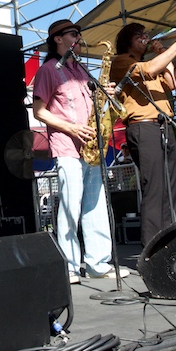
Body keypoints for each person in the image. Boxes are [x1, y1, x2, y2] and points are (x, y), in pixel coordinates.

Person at [32, 19, 121, 284]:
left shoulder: (82, 70)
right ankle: (70, 266)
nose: (79, 38)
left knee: (95, 205)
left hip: (91, 146)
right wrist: (72, 129)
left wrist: (106, 92)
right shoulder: (48, 69)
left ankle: (98, 263)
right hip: (67, 145)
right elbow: (39, 111)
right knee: (70, 206)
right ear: (58, 39)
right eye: (74, 34)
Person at [110, 23, 176, 246]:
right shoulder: (123, 61)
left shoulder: (151, 62)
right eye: (139, 35)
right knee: (155, 186)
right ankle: (152, 243)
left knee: (171, 186)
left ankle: (174, 236)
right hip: (143, 126)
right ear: (128, 41)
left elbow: (172, 83)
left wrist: (163, 52)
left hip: (163, 125)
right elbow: (149, 70)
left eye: (146, 35)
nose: (145, 37)